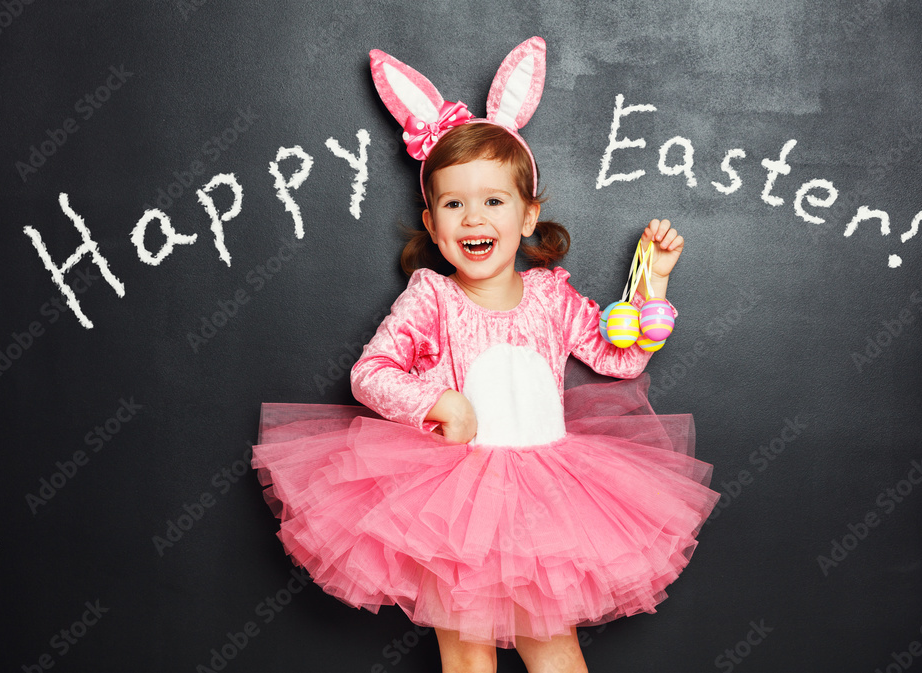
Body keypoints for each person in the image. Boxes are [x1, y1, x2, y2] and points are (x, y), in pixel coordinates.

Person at [252, 38, 719, 673]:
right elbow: (369, 373)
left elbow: (621, 361)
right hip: (454, 502)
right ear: (434, 222)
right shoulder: (432, 298)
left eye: (494, 201)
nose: (475, 216)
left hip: (548, 495)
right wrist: (435, 401)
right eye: (454, 203)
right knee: (467, 653)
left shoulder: (552, 294)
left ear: (528, 217)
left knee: (553, 648)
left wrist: (653, 283)